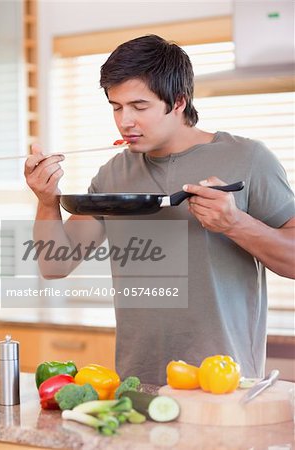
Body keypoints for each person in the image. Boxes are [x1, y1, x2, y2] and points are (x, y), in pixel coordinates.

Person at [25, 34, 295, 385]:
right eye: (116, 106)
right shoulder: (113, 173)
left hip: (224, 384)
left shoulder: (249, 159)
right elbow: (54, 265)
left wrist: (234, 223)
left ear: (179, 101)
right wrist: (47, 202)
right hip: (138, 383)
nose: (125, 122)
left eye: (139, 106)